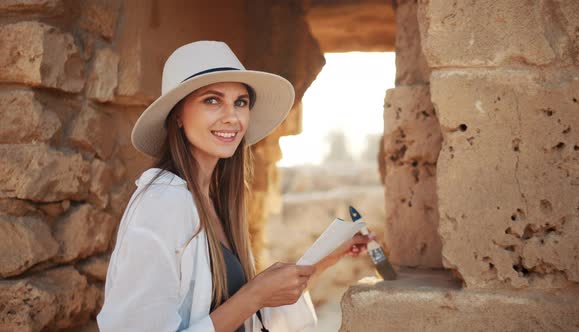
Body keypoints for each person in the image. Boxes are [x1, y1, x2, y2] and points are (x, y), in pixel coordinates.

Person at [96, 41, 374, 332]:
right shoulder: (162, 203)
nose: (232, 116)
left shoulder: (212, 201)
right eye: (212, 100)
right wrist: (253, 295)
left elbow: (246, 318)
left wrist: (327, 257)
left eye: (240, 102)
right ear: (177, 115)